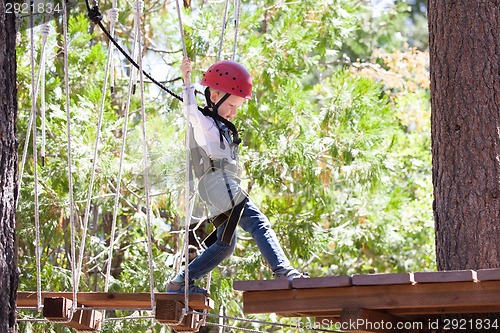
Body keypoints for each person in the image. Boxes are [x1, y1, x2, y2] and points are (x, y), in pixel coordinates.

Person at [166, 58, 307, 296]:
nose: (234, 112)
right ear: (214, 97)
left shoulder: (219, 125)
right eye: (231, 105)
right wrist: (187, 79)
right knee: (258, 223)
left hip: (219, 186)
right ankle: (283, 270)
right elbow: (190, 109)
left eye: (237, 107)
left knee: (225, 245)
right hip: (219, 183)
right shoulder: (206, 124)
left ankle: (180, 282)